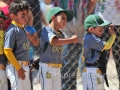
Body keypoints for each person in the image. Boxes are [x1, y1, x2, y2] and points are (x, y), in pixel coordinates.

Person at [52, 0, 97, 89]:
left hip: (82, 30)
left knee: (84, 67)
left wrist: (85, 15)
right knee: (68, 70)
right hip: (64, 32)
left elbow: (92, 2)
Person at [39, 7, 78, 90]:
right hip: (47, 68)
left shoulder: (61, 35)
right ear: (53, 18)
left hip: (57, 68)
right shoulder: (46, 30)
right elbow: (54, 41)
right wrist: (71, 40)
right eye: (63, 18)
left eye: (66, 19)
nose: (65, 21)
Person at [82, 14, 116, 90]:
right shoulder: (90, 38)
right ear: (91, 29)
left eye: (103, 28)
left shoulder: (92, 37)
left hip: (95, 71)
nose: (102, 31)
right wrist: (113, 36)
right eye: (100, 29)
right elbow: (107, 46)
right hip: (91, 72)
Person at [4, 0, 31, 90]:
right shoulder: (12, 31)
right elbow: (7, 51)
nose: (26, 17)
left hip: (24, 67)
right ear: (13, 16)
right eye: (22, 14)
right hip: (15, 67)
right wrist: (18, 68)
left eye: (27, 14)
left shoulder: (21, 28)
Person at [94, 0, 120, 89]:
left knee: (119, 58)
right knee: (100, 58)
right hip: (101, 22)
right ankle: (99, 86)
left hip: (118, 22)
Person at [0, 10, 8, 90]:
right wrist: (1, 33)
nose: (0, 24)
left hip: (4, 71)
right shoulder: (3, 34)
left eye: (2, 21)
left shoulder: (6, 34)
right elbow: (1, 50)